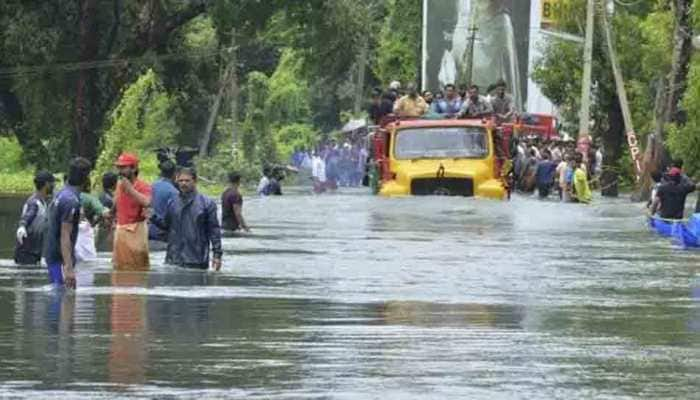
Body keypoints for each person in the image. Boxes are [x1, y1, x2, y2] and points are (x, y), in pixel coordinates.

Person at [151, 167, 222, 270]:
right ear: (177, 181)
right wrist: (153, 217)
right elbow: (166, 225)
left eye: (187, 180)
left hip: (196, 259)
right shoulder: (173, 202)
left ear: (195, 181)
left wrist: (217, 255)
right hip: (174, 258)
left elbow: (214, 231)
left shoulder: (207, 203)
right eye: (181, 181)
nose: (183, 183)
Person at [44, 157, 92, 289]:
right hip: (60, 259)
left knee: (60, 297)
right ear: (86, 177)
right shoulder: (70, 200)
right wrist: (69, 267)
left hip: (54, 255)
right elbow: (65, 235)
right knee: (60, 298)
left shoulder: (61, 194)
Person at [113, 153, 152, 271]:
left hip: (135, 233)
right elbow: (117, 203)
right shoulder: (120, 185)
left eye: (123, 168)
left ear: (134, 168)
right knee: (119, 269)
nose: (120, 171)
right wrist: (110, 214)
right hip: (120, 232)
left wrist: (130, 190)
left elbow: (147, 202)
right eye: (119, 168)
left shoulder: (143, 186)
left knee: (136, 269)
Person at [14, 171, 56, 265]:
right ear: (46, 184)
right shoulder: (34, 203)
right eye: (52, 183)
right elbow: (28, 216)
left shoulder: (42, 201)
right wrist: (22, 226)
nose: (54, 185)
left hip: (34, 252)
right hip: (26, 253)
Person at [148, 159, 178, 242]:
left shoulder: (151, 186)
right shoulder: (174, 192)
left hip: (148, 230)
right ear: (175, 174)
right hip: (163, 234)